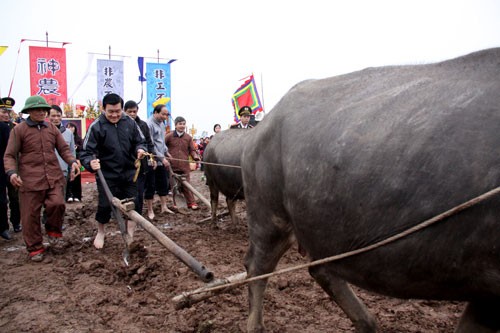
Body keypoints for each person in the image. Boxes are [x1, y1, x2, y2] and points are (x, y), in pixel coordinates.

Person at [4, 95, 80, 262]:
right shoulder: (19, 130)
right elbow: (9, 155)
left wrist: (72, 162)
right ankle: (35, 247)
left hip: (53, 176)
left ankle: (53, 233)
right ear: (29, 111)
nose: (41, 112)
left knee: (58, 204)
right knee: (30, 215)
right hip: (29, 180)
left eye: (43, 109)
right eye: (36, 109)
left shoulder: (51, 129)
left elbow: (64, 149)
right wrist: (12, 173)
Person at [80, 93, 146, 250]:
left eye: (118, 111)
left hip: (130, 172)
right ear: (103, 109)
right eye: (111, 111)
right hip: (107, 175)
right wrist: (90, 162)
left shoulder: (130, 123)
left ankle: (130, 235)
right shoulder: (96, 126)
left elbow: (141, 141)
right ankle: (101, 232)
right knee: (104, 205)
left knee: (134, 203)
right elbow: (85, 152)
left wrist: (141, 149)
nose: (115, 115)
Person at [124, 100, 156, 217]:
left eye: (134, 111)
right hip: (125, 164)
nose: (132, 114)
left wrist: (152, 158)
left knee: (140, 190)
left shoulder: (143, 125)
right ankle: (125, 213)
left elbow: (148, 143)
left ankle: (139, 213)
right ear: (124, 111)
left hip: (141, 164)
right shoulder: (120, 125)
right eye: (129, 111)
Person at [165, 116, 201, 210]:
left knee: (187, 185)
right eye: (180, 124)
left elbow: (192, 150)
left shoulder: (188, 137)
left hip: (184, 166)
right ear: (176, 125)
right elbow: (163, 147)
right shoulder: (169, 136)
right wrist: (166, 157)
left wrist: (195, 157)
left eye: (183, 124)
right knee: (174, 186)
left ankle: (191, 203)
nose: (182, 126)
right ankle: (176, 204)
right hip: (172, 166)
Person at [145, 104, 174, 219]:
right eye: (163, 114)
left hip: (162, 159)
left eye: (166, 115)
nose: (165, 117)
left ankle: (164, 206)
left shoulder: (162, 124)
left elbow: (161, 141)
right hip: (151, 160)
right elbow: (151, 145)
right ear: (155, 113)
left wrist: (166, 152)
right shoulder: (148, 124)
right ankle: (150, 210)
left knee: (163, 183)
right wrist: (161, 158)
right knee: (150, 185)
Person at [0, 97, 21, 234]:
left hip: (14, 168)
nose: (6, 114)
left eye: (8, 112)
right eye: (3, 111)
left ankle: (16, 222)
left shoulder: (16, 127)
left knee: (15, 198)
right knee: (1, 200)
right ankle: (3, 227)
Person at [65, 122, 83, 202]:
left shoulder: (78, 139)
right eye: (68, 127)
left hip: (77, 160)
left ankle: (77, 195)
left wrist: (78, 159)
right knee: (68, 179)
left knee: (76, 178)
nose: (70, 129)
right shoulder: (63, 137)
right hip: (67, 160)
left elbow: (82, 150)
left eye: (72, 127)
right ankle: (68, 195)